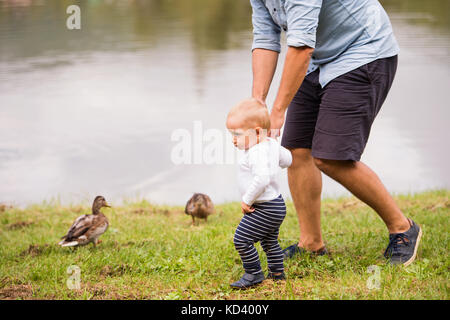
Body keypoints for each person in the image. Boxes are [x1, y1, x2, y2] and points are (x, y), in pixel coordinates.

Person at [249, 0, 422, 266]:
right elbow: (265, 37)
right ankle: (311, 243)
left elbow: (301, 45)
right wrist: (257, 103)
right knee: (297, 150)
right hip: (316, 58)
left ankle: (402, 228)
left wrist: (278, 110)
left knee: (332, 157)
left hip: (362, 51)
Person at [226, 98, 292, 288]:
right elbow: (288, 160)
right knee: (269, 241)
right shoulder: (269, 144)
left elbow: (262, 179)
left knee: (241, 239)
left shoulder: (255, 152)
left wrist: (246, 200)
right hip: (277, 205)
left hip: (264, 207)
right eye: (231, 134)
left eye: (237, 134)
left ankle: (254, 274)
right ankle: (277, 273)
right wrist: (274, 149)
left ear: (256, 131)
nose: (233, 139)